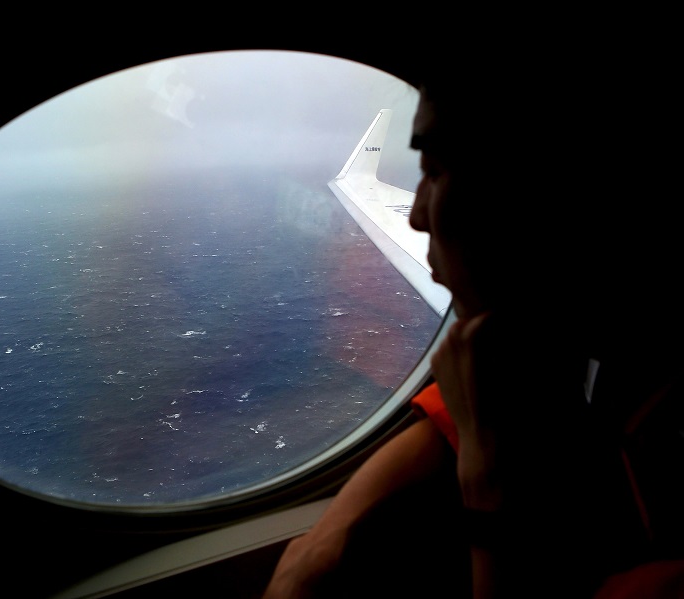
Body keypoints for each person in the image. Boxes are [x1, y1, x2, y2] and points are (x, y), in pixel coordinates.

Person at [261, 53, 682, 599]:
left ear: (550, 191)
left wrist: (487, 488)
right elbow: (498, 390)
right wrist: (322, 541)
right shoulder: (572, 335)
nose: (415, 215)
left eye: (436, 171)